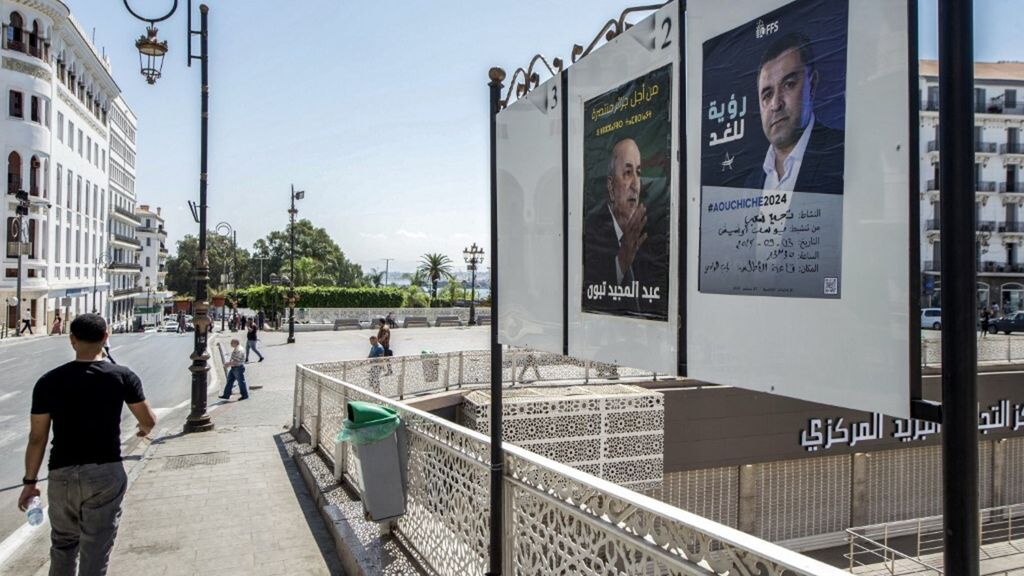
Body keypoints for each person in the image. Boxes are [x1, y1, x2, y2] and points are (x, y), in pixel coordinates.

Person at [19, 314, 156, 576]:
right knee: (96, 549)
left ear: (72, 340)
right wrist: (142, 430)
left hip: (62, 474)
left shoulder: (48, 381)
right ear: (106, 337)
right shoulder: (121, 376)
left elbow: (37, 438)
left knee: (63, 545)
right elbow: (149, 420)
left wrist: (29, 482)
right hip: (105, 472)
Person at [743, 32, 844, 194]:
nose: (776, 104)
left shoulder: (842, 154)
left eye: (789, 84)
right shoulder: (749, 184)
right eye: (767, 95)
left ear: (812, 84)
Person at [583, 137, 665, 316]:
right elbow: (590, 296)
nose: (636, 185)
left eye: (638, 172)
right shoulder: (592, 231)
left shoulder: (648, 231)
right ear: (611, 187)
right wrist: (621, 261)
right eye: (627, 173)